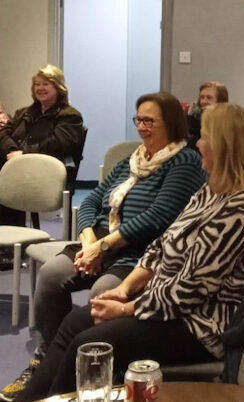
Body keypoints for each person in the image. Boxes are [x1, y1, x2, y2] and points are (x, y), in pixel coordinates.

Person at [14, 103, 244, 402]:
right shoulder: (213, 190)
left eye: (205, 137)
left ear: (225, 147)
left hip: (200, 327)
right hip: (167, 306)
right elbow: (162, 245)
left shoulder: (242, 209)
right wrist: (125, 288)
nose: (198, 143)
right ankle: (35, 398)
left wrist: (127, 308)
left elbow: (189, 290)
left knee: (88, 343)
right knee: (76, 322)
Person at [0, 92, 206, 401]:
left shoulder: (184, 161)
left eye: (150, 121)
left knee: (101, 296)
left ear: (172, 124)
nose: (142, 127)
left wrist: (104, 247)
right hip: (99, 243)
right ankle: (47, 359)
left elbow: (158, 217)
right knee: (51, 276)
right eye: (139, 120)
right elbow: (93, 200)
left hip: (138, 255)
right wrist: (88, 239)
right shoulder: (133, 161)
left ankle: (94, 371)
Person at [0, 64, 84, 227]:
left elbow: (57, 145)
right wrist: (12, 150)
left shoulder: (70, 116)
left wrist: (22, 155)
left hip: (42, 172)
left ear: (58, 87)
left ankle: (8, 241)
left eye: (46, 84)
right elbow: (3, 133)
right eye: (37, 84)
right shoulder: (23, 113)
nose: (40, 88)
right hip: (13, 166)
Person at [186, 81, 228, 148]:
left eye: (209, 98)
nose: (204, 101)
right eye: (202, 97)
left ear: (221, 101)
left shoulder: (229, 122)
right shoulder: (190, 120)